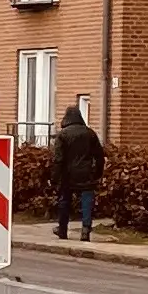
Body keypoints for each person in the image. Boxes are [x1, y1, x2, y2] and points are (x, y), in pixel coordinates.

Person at [51, 102, 105, 241]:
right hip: (86, 173)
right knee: (87, 201)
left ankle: (62, 229)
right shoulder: (90, 133)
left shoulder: (62, 135)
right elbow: (99, 156)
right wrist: (98, 173)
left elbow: (58, 159)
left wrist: (54, 178)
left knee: (65, 201)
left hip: (67, 174)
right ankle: (86, 229)